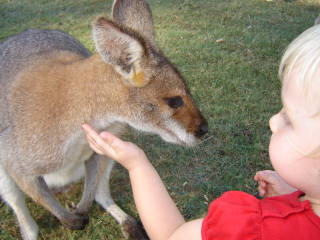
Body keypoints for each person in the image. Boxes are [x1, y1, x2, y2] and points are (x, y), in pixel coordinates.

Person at [82, 24, 320, 240]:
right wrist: (297, 196)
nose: (273, 120)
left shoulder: (253, 226)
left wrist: (137, 165)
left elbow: (171, 235)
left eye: (289, 119)